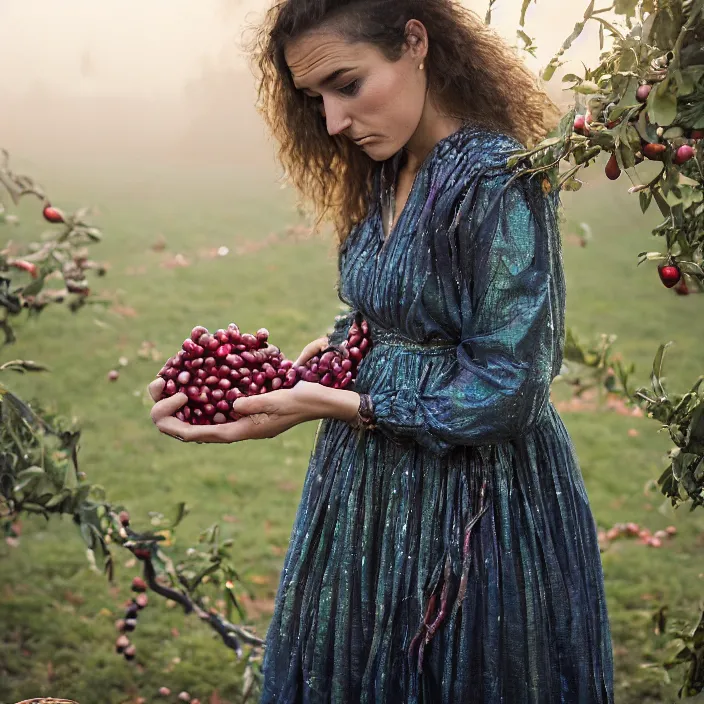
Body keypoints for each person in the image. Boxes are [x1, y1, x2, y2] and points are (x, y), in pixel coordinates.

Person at [148, 1, 615, 701]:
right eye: (316, 100)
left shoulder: (499, 178)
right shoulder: (381, 165)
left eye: (347, 85)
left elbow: (509, 388)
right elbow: (378, 318)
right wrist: (289, 381)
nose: (333, 122)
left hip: (476, 507)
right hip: (361, 492)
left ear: (415, 42)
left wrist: (335, 402)